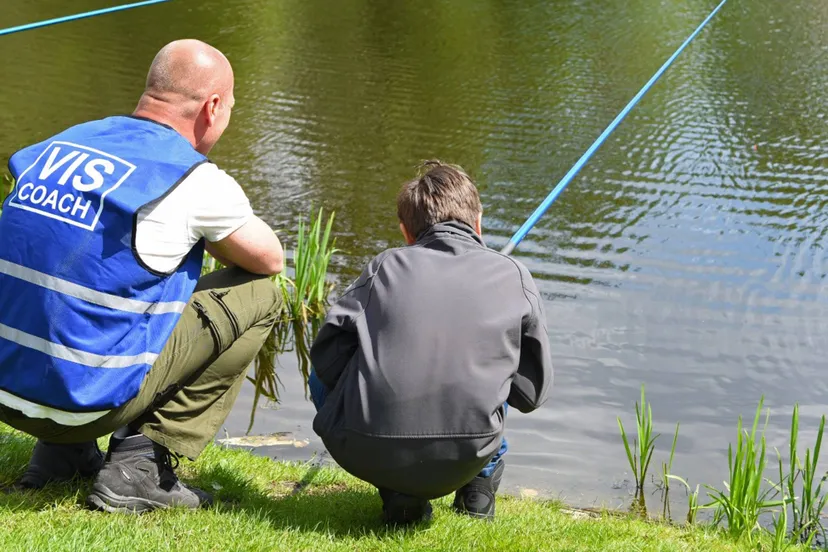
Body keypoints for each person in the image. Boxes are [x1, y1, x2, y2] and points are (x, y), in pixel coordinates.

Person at [0, 39, 284, 513]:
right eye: (231, 107)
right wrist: (202, 234)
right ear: (212, 107)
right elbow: (268, 259)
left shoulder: (63, 143)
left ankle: (61, 457)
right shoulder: (193, 179)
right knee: (261, 296)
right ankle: (140, 467)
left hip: (7, 392)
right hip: (81, 407)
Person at [308, 160, 553, 523]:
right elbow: (530, 394)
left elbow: (327, 355)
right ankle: (478, 492)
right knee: (495, 378)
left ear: (406, 232)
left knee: (321, 375)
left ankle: (400, 492)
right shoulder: (514, 274)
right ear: (478, 223)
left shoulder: (382, 267)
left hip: (370, 447)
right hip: (472, 448)